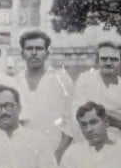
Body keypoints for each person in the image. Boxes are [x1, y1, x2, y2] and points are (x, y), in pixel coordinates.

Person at [11, 30, 75, 160]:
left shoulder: (62, 80)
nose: (34, 53)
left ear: (47, 53)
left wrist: (58, 155)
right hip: (22, 155)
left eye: (39, 48)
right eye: (29, 48)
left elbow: (70, 123)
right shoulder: (13, 82)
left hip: (55, 153)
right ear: (22, 53)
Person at [72, 42, 121, 142]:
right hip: (88, 144)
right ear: (97, 62)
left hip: (119, 146)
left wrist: (98, 111)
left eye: (114, 59)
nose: (108, 63)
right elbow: (81, 116)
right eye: (104, 59)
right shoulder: (84, 81)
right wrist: (118, 116)